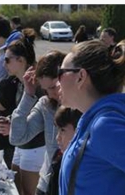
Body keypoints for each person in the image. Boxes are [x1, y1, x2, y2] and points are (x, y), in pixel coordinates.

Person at [0, 29, 46, 195]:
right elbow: (21, 111)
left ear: (21, 60)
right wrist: (9, 120)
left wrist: (12, 125)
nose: (3, 64)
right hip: (21, 145)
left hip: (34, 147)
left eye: (7, 59)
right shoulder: (19, 82)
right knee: (16, 189)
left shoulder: (35, 84)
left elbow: (38, 119)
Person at [59, 39, 125, 194]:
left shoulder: (104, 126)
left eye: (61, 73)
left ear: (80, 77)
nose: (57, 81)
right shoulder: (94, 121)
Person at [9, 50, 66, 195]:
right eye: (46, 89)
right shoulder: (46, 104)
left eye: (53, 87)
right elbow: (17, 138)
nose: (51, 94)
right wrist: (28, 95)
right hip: (47, 182)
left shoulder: (83, 105)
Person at [46, 106, 82, 195]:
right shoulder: (58, 156)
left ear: (78, 130)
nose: (57, 137)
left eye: (62, 130)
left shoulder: (83, 164)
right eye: (58, 130)